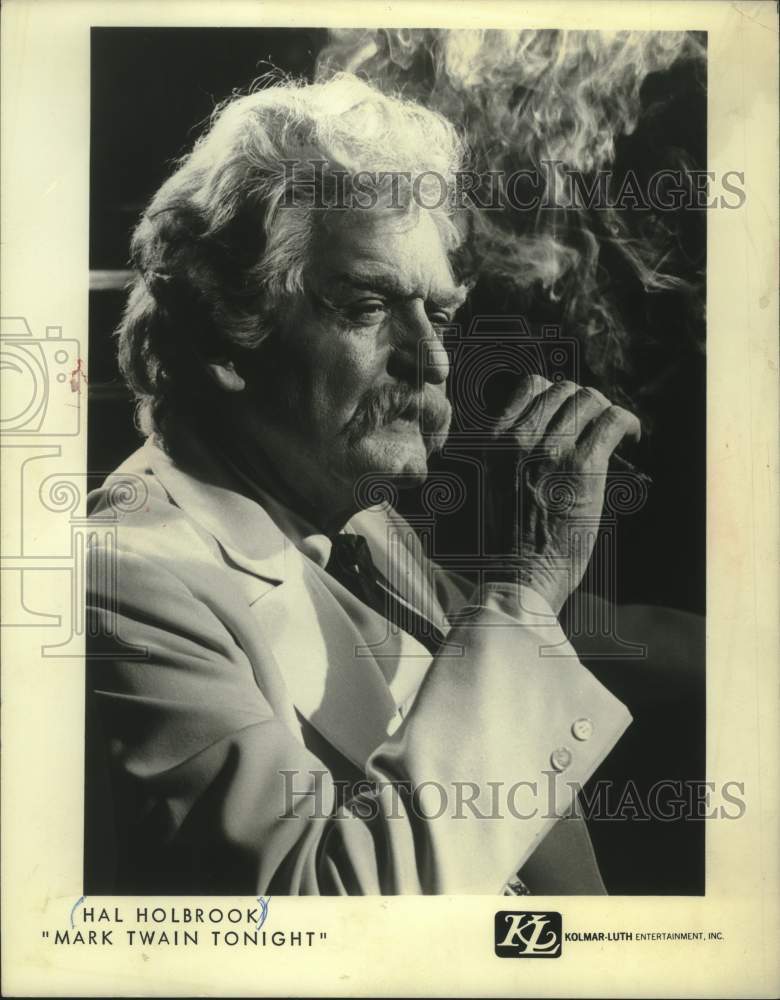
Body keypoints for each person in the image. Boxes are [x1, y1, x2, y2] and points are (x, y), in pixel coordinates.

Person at [86, 73, 640, 895]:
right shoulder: (121, 579)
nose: (434, 358)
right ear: (220, 331)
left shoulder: (363, 533)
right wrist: (527, 586)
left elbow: (572, 650)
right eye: (371, 305)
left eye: (439, 315)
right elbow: (320, 913)